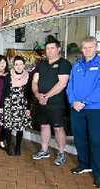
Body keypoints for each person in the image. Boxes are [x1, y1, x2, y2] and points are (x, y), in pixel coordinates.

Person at [67, 37, 100, 188]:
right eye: (84, 47)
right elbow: (70, 86)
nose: (86, 50)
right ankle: (84, 164)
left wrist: (84, 102)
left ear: (96, 48)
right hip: (76, 108)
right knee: (79, 138)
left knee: (96, 140)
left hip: (95, 109)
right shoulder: (77, 65)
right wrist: (73, 101)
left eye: (90, 47)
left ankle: (99, 174)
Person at [32, 36, 71, 166]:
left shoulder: (64, 63)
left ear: (58, 49)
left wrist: (46, 96)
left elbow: (62, 83)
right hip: (41, 101)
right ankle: (44, 150)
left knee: (58, 127)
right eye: (47, 48)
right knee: (44, 125)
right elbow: (34, 81)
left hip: (56, 103)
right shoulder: (41, 64)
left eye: (52, 48)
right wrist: (38, 95)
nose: (49, 51)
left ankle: (61, 153)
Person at [0, 55, 31, 156]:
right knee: (8, 127)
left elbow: (29, 93)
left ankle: (18, 147)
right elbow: (4, 92)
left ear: (24, 65)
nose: (18, 66)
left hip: (22, 104)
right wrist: (1, 106)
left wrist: (28, 108)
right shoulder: (8, 75)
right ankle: (9, 146)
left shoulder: (28, 76)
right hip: (9, 104)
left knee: (20, 127)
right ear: (13, 65)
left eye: (20, 64)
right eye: (16, 64)